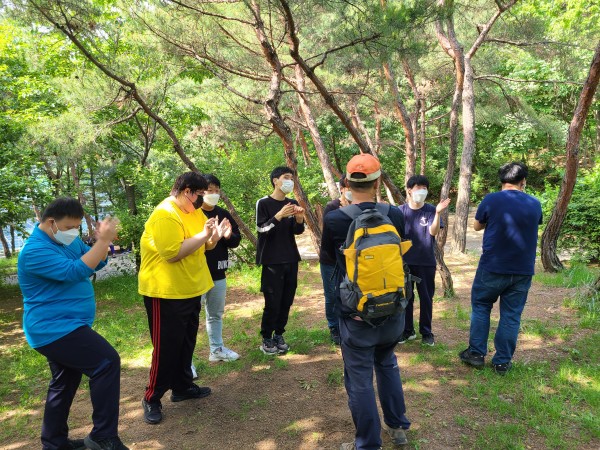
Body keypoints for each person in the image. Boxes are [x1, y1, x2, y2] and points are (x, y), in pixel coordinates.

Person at [17, 198, 128, 450]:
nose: (73, 232)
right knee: (106, 362)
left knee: (64, 382)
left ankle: (54, 443)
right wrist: (103, 241)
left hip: (68, 324)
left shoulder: (64, 239)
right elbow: (73, 271)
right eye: (69, 226)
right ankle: (103, 436)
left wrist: (102, 243)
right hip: (53, 328)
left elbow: (95, 262)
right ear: (51, 222)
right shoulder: (34, 250)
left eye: (77, 227)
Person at [321, 154, 410, 450]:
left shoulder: (335, 218)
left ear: (346, 183)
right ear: (378, 182)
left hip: (357, 314)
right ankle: (398, 427)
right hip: (393, 310)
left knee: (359, 377)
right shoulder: (395, 214)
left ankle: (369, 443)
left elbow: (329, 261)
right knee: (387, 365)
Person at [139, 172, 229, 424]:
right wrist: (203, 236)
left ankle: (182, 387)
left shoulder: (193, 211)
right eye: (200, 194)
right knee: (166, 347)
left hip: (191, 287)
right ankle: (152, 397)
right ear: (186, 191)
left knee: (186, 341)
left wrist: (215, 236)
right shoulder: (165, 214)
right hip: (165, 291)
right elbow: (172, 254)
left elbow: (205, 246)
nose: (203, 200)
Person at [459, 162, 542, 375]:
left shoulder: (491, 199)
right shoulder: (535, 203)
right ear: (523, 181)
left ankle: (476, 354)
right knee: (511, 315)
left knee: (481, 306)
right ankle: (502, 362)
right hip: (522, 270)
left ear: (501, 180)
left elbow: (477, 226)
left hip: (492, 267)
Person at [256, 166, 305, 355]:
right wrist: (278, 216)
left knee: (287, 299)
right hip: (271, 261)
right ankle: (267, 338)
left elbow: (296, 231)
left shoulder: (292, 202)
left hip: (291, 258)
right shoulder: (264, 203)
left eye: (292, 178)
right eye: (286, 177)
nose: (290, 181)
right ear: (275, 180)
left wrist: (299, 219)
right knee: (272, 301)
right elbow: (262, 230)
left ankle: (279, 334)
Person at [398, 175, 451, 346]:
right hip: (404, 262)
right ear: (409, 190)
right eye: (418, 187)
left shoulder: (430, 210)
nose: (422, 191)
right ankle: (407, 331)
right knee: (406, 297)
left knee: (426, 297)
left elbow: (433, 232)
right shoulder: (400, 212)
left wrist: (436, 213)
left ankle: (426, 332)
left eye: (425, 188)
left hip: (426, 261)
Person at [199, 174, 242, 362]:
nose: (214, 194)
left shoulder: (223, 214)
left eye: (217, 190)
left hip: (218, 272)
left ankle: (216, 350)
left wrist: (227, 236)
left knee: (215, 314)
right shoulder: (192, 214)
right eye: (210, 190)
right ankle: (186, 361)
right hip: (196, 274)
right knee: (190, 319)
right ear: (200, 192)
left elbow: (235, 241)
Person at [320, 175, 351, 345]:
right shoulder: (332, 207)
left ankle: (348, 324)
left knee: (350, 292)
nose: (351, 191)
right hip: (330, 260)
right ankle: (334, 327)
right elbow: (328, 237)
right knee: (331, 294)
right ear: (342, 189)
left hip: (351, 260)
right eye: (348, 188)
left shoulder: (358, 207)